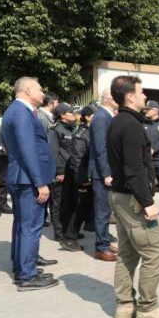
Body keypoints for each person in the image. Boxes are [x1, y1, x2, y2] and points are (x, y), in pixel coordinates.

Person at [107, 75, 159, 318]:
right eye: (141, 92)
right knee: (154, 253)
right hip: (133, 200)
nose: (145, 96)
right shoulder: (131, 125)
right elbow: (134, 169)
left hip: (120, 195)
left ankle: (124, 306)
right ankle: (148, 307)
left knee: (127, 253)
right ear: (129, 96)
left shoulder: (118, 121)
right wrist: (148, 203)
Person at [1, 76, 59, 291]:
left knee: (22, 225)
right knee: (31, 227)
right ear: (27, 90)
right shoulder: (22, 113)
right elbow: (28, 150)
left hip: (20, 177)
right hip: (29, 180)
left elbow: (10, 145)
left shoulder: (13, 111)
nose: (43, 93)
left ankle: (22, 268)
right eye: (39, 89)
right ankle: (28, 276)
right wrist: (40, 183)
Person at [61, 105, 96, 251]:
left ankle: (74, 232)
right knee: (78, 207)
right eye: (94, 115)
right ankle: (69, 238)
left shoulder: (91, 131)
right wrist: (81, 179)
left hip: (88, 175)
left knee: (85, 207)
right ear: (87, 117)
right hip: (81, 176)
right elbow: (77, 159)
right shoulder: (81, 134)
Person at [88, 89, 117, 261]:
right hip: (101, 173)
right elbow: (101, 148)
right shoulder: (101, 117)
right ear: (110, 100)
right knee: (102, 211)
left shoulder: (106, 116)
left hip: (104, 171)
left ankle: (105, 241)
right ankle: (101, 247)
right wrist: (106, 173)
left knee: (106, 211)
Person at [47, 103, 79, 251]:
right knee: (58, 203)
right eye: (70, 112)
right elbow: (53, 153)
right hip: (61, 172)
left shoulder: (73, 129)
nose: (73, 114)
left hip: (71, 171)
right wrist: (59, 171)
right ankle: (59, 233)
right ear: (62, 115)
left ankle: (68, 231)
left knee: (70, 202)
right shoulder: (55, 130)